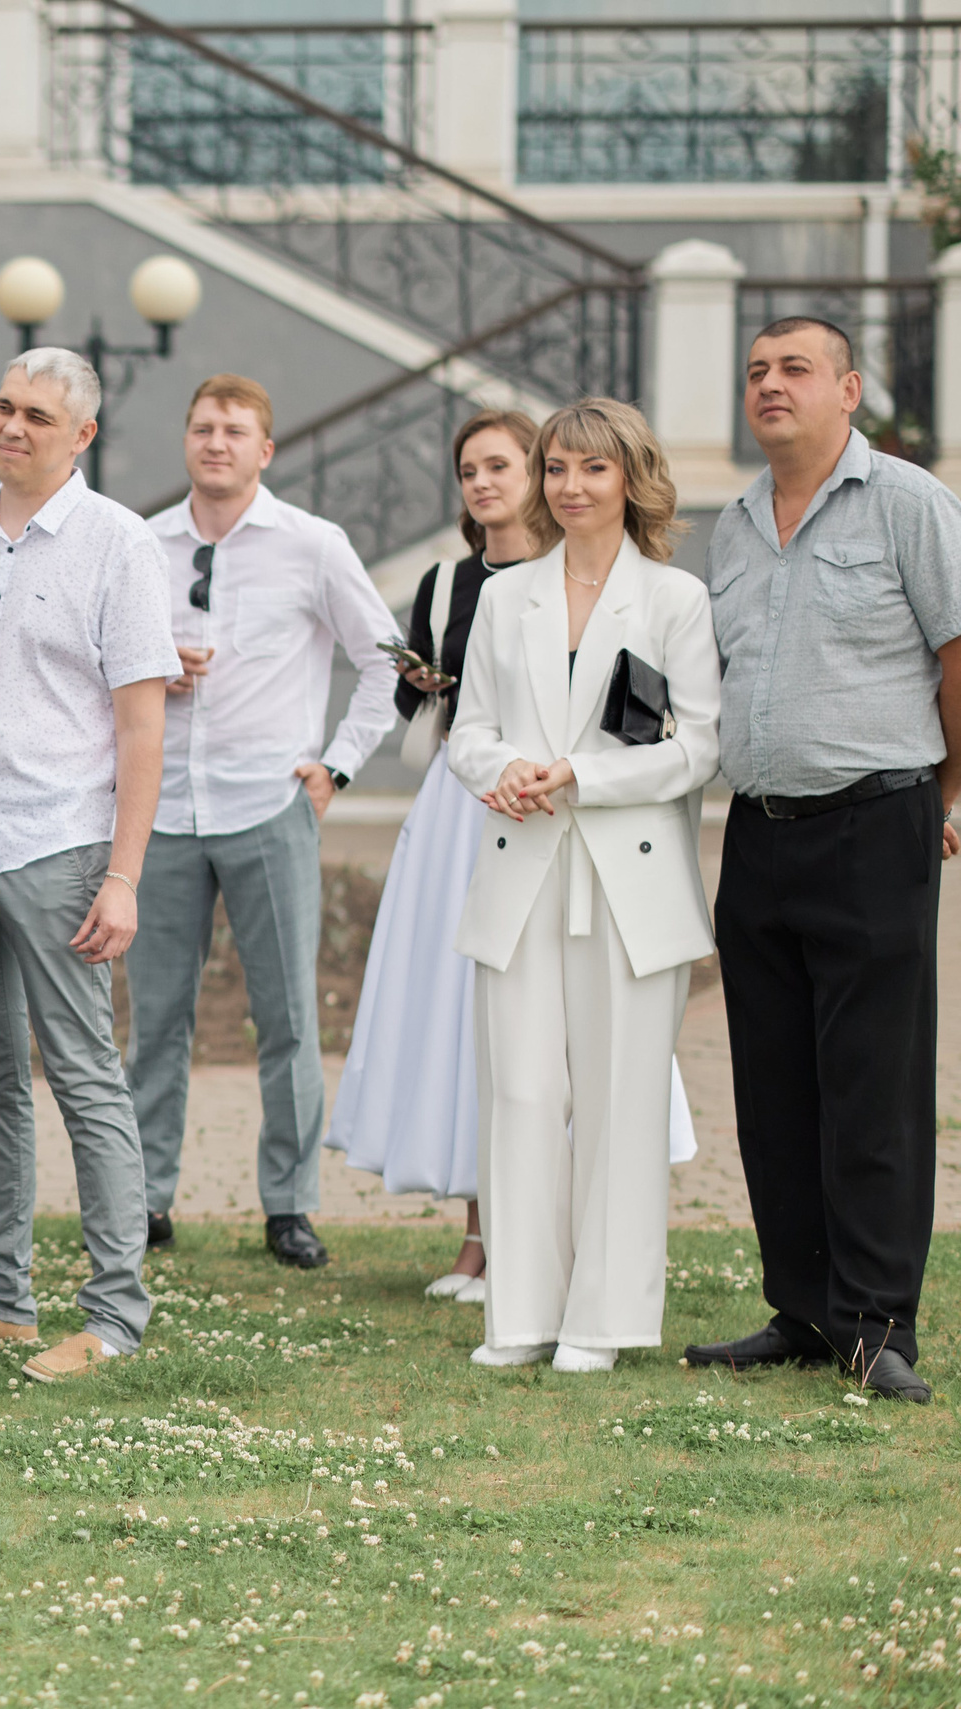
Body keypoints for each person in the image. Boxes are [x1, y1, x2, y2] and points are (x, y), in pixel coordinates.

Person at [682, 318, 961, 1405]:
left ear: (847, 389)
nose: (770, 384)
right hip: (758, 832)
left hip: (874, 825)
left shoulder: (908, 503)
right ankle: (801, 1310)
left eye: (794, 368)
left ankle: (876, 1323)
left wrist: (943, 795)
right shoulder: (735, 523)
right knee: (773, 1086)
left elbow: (956, 652)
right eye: (756, 370)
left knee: (872, 1087)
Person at [0, 349, 176, 1383]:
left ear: (82, 435)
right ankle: (0, 1300)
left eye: (38, 416)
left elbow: (142, 729)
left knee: (84, 1075)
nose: (13, 427)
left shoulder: (120, 545)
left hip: (60, 845)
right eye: (5, 407)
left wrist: (123, 875)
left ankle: (115, 1312)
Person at [446, 399, 720, 1374]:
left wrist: (581, 776)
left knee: (619, 1099)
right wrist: (503, 769)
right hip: (521, 865)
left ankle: (600, 1321)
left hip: (628, 878)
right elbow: (468, 732)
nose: (569, 485)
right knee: (520, 1091)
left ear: (631, 479)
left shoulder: (676, 599)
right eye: (556, 466)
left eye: (591, 468)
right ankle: (520, 1313)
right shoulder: (506, 596)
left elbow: (698, 747)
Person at [127, 374, 399, 1270]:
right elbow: (100, 665)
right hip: (163, 808)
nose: (217, 442)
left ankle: (289, 1204)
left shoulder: (313, 545)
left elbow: (385, 662)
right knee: (156, 1018)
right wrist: (153, 669)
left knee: (286, 1018)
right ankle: (145, 1199)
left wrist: (339, 764)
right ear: (187, 440)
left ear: (265, 449)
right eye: (204, 427)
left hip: (268, 804)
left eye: (235, 431)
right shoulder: (142, 544)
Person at [326, 410, 540, 1300]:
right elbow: (422, 714)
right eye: (468, 471)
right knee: (457, 1013)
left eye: (498, 465)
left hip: (536, 803)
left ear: (537, 471)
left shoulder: (569, 574)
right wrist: (422, 686)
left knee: (525, 1016)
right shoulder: (446, 582)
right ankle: (477, 1237)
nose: (481, 482)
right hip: (457, 806)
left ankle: (530, 1237)